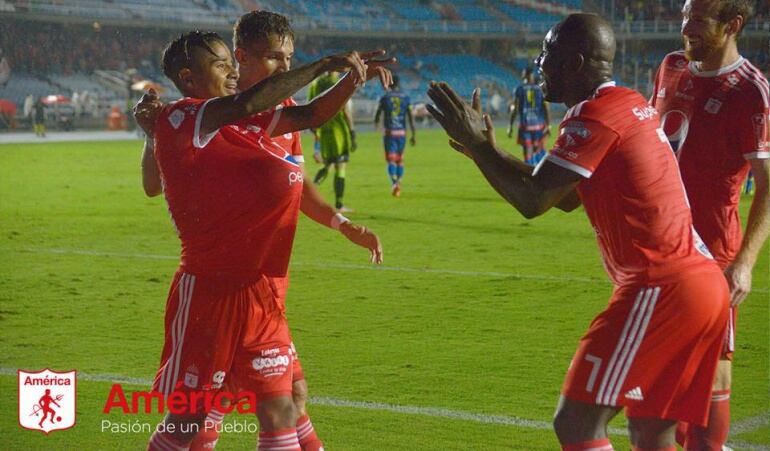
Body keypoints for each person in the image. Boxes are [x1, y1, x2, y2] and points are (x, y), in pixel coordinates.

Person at [427, 14, 729, 450]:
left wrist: (477, 144)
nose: (538, 62)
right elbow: (565, 196)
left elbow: (534, 199)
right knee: (650, 433)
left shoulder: (596, 115)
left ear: (575, 64)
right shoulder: (625, 103)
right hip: (698, 284)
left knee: (577, 422)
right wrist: (487, 151)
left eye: (547, 52)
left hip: (661, 286)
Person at [135, 12, 393, 451]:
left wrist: (352, 78)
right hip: (213, 293)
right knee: (193, 417)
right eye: (221, 65)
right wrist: (324, 65)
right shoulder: (184, 117)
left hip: (262, 292)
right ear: (189, 78)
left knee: (284, 406)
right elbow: (156, 181)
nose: (232, 72)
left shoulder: (247, 123)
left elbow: (310, 114)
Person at [650, 0, 770, 449]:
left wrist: (745, 264)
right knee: (662, 369)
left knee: (713, 367)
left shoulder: (750, 91)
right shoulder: (671, 67)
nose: (686, 28)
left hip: (711, 255)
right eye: (685, 16)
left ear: (732, 25)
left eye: (698, 20)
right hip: (657, 252)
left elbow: (768, 184)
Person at [308, 71, 356, 211]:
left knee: (327, 164)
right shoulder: (339, 82)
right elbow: (345, 110)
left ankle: (307, 196)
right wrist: (352, 132)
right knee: (340, 166)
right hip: (338, 130)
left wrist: (313, 126)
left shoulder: (316, 83)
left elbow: (310, 105)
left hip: (324, 129)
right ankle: (339, 204)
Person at [374, 74, 416, 197]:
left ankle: (394, 183)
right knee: (400, 159)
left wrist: (377, 125)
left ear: (390, 83)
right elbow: (411, 117)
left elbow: (378, 114)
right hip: (402, 133)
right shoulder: (406, 97)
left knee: (391, 160)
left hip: (389, 132)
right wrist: (413, 134)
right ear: (398, 84)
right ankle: (399, 182)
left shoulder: (385, 98)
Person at [507, 67, 551, 165]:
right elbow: (546, 107)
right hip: (539, 125)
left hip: (525, 126)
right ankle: (541, 169)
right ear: (532, 76)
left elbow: (515, 109)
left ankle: (529, 169)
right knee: (539, 150)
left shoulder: (519, 89)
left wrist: (510, 125)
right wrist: (548, 125)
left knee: (528, 152)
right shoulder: (540, 89)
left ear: (523, 76)